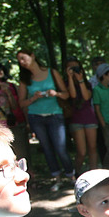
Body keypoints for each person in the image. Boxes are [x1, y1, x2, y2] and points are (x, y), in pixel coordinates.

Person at [17, 48, 74, 191]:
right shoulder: (25, 79)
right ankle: (57, 178)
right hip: (36, 117)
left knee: (61, 148)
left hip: (55, 115)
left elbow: (66, 95)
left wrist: (56, 94)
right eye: (19, 61)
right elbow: (21, 103)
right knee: (47, 149)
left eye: (23, 58)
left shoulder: (52, 73)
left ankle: (71, 176)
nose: (22, 62)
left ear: (32, 55)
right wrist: (33, 98)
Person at [65, 56, 99, 174]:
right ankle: (77, 174)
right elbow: (73, 95)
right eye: (71, 68)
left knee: (92, 148)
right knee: (82, 151)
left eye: (76, 67)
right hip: (75, 119)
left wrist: (80, 80)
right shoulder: (65, 83)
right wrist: (70, 78)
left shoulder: (87, 83)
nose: (74, 70)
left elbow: (86, 97)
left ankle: (94, 174)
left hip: (89, 118)